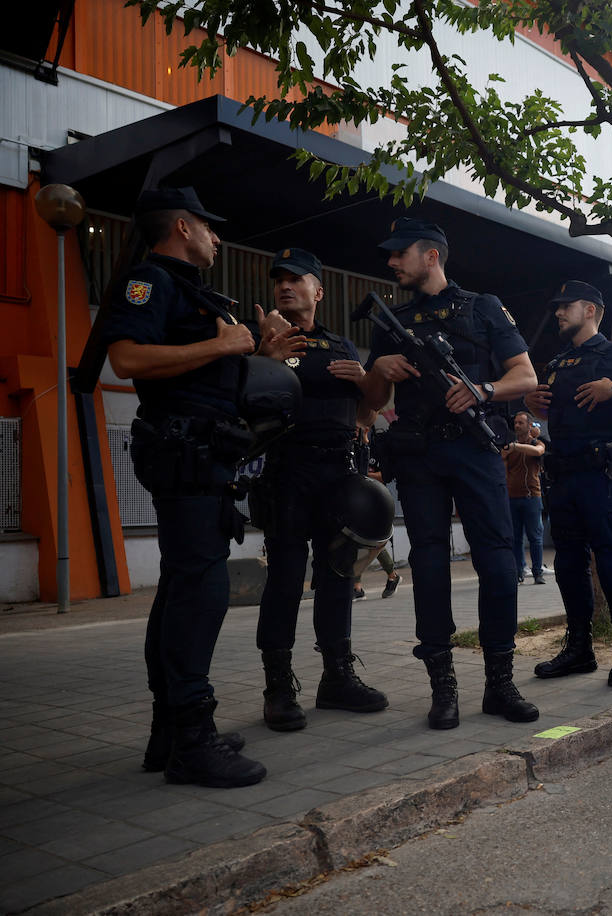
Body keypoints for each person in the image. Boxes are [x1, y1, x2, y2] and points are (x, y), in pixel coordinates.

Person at [104, 186, 295, 788]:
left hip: (201, 453)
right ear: (183, 227)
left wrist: (249, 354)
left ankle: (170, 733)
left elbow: (203, 372)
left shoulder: (185, 290)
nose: (217, 237)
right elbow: (127, 359)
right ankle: (192, 740)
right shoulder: (151, 281)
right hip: (182, 454)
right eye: (210, 227)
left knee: (182, 589)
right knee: (200, 592)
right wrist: (222, 343)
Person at [360, 217, 539, 728]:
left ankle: (500, 686)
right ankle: (443, 690)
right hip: (419, 457)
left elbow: (524, 375)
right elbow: (372, 403)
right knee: (431, 567)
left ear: (431, 255)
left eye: (401, 254)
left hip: (476, 449)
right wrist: (379, 370)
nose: (392, 262)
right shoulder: (390, 322)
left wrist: (483, 391)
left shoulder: (482, 307)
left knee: (500, 564)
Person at [251, 247, 389, 732]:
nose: (286, 286)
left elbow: (370, 410)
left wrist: (369, 380)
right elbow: (244, 403)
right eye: (279, 280)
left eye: (297, 279)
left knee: (337, 578)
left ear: (318, 290)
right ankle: (278, 687)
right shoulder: (261, 341)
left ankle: (336, 678)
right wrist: (264, 357)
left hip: (339, 475)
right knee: (285, 580)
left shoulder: (341, 346)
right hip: (289, 472)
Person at [524, 280, 612, 686]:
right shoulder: (556, 363)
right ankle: (579, 649)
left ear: (590, 310)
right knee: (568, 564)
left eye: (564, 307)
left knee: (610, 562)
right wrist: (531, 404)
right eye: (557, 307)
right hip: (562, 476)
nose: (557, 313)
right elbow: (550, 413)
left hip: (602, 476)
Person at [354, 423, 402, 600]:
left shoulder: (378, 447)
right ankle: (358, 587)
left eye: (358, 430)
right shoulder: (352, 448)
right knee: (359, 539)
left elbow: (385, 476)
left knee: (373, 541)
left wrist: (364, 474)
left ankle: (391, 576)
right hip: (358, 499)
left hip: (377, 500)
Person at [503, 410, 546, 584]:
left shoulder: (537, 442)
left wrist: (515, 447)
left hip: (532, 497)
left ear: (529, 425)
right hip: (512, 497)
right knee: (516, 538)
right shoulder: (509, 446)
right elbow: (502, 461)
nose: (517, 425)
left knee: (535, 537)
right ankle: (518, 572)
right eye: (515, 423)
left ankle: (537, 572)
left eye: (521, 423)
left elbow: (538, 452)